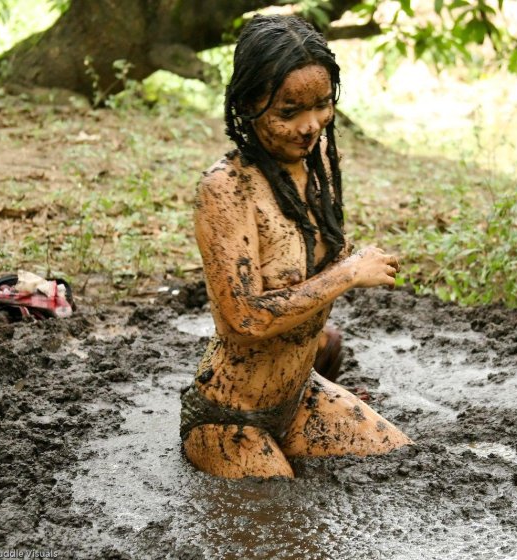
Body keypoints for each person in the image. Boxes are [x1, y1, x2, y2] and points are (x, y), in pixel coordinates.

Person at [181, 14, 412, 479]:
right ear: (249, 104)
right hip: (228, 415)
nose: (310, 126)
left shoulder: (318, 164)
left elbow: (309, 263)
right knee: (275, 501)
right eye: (289, 113)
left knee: (403, 459)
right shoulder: (227, 190)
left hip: (298, 396)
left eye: (322, 105)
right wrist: (348, 274)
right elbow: (244, 320)